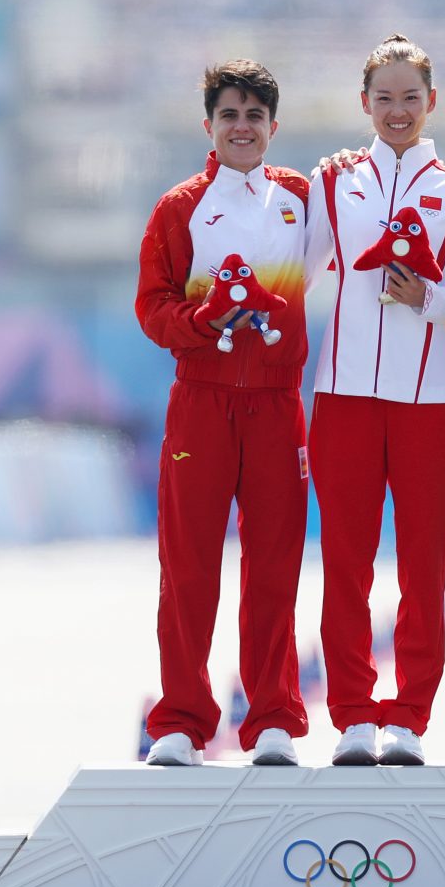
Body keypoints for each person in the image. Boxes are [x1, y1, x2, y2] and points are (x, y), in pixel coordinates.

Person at [305, 35, 445, 766]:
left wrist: (427, 298)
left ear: (431, 101)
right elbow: (293, 270)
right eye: (385, 97)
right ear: (365, 103)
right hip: (341, 395)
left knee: (423, 566)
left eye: (411, 97)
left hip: (429, 400)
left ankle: (408, 717)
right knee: (344, 562)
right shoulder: (334, 181)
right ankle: (350, 716)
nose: (398, 110)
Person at [135, 59, 310, 767]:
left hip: (276, 404)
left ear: (273, 126)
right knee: (189, 566)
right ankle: (181, 722)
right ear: (208, 125)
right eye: (230, 116)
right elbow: (152, 308)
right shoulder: (179, 207)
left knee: (274, 566)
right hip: (201, 402)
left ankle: (271, 719)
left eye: (255, 116)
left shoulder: (302, 198)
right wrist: (205, 322)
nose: (243, 128)